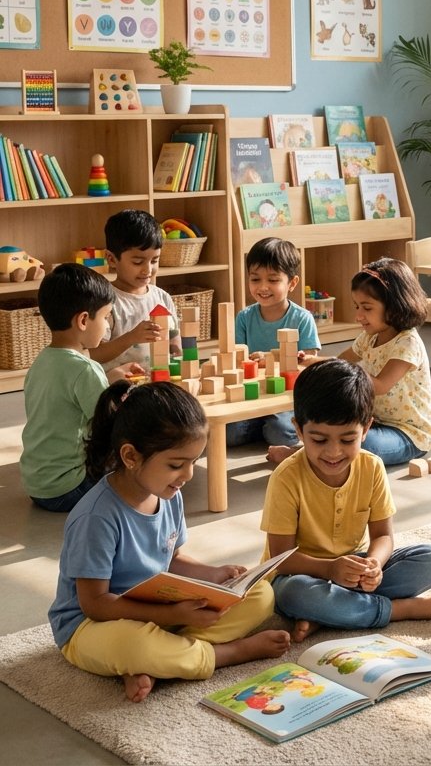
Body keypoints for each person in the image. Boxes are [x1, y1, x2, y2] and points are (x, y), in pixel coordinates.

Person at [47, 381, 290, 702]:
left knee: (260, 594)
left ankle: (161, 661)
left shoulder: (168, 493)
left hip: (157, 612)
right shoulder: (96, 517)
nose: (188, 475)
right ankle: (224, 654)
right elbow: (95, 604)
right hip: (92, 626)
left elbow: (171, 559)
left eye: (193, 461)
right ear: (131, 456)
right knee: (134, 645)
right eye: (177, 464)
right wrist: (174, 616)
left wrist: (216, 576)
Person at [262, 359, 431, 640]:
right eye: (319, 440)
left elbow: (383, 536)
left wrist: (374, 564)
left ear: (366, 428)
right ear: (298, 430)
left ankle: (334, 614)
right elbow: (280, 560)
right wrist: (329, 569)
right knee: (293, 595)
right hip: (302, 574)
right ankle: (397, 610)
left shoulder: (372, 466)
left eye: (347, 440)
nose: (333, 452)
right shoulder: (286, 477)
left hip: (355, 568)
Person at [20, 264, 143, 512]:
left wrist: (111, 378)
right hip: (69, 488)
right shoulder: (85, 369)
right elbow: (110, 425)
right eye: (106, 317)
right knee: (135, 459)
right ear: (84, 320)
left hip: (38, 485)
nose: (108, 326)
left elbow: (67, 399)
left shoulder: (41, 362)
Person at [338, 257, 431, 466]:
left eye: (366, 307)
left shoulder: (407, 343)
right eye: (356, 306)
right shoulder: (369, 336)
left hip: (408, 435)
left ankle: (304, 455)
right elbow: (341, 360)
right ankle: (301, 453)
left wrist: (346, 371)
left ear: (394, 307)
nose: (358, 316)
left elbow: (381, 385)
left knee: (360, 445)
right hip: (372, 422)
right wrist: (313, 362)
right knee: (330, 430)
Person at [233, 237, 320, 461]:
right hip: (253, 394)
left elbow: (309, 364)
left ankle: (266, 426)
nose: (263, 287)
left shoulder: (302, 318)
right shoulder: (244, 317)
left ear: (292, 283)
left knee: (280, 431)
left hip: (285, 398)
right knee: (229, 433)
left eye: (273, 280)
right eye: (255, 279)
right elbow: (235, 357)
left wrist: (272, 358)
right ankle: (259, 424)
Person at [91, 209, 181, 371]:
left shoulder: (162, 297)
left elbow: (174, 338)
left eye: (154, 260)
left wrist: (177, 352)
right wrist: (131, 338)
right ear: (111, 259)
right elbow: (94, 354)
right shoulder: (105, 302)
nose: (148, 270)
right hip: (120, 387)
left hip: (158, 383)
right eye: (138, 262)